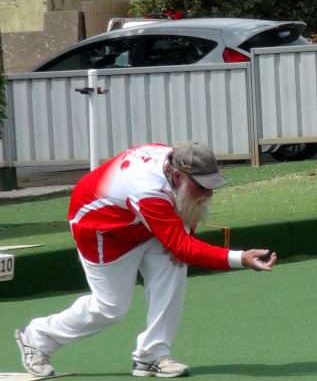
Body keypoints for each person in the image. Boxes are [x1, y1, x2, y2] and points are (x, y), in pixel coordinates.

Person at [14, 141, 277, 378]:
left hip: (143, 222)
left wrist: (184, 237)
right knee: (110, 308)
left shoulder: (174, 162)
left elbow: (185, 214)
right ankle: (37, 338)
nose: (208, 193)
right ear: (177, 175)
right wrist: (240, 258)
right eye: (202, 186)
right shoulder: (147, 189)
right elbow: (182, 245)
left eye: (211, 185)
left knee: (173, 265)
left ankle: (151, 357)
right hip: (102, 230)